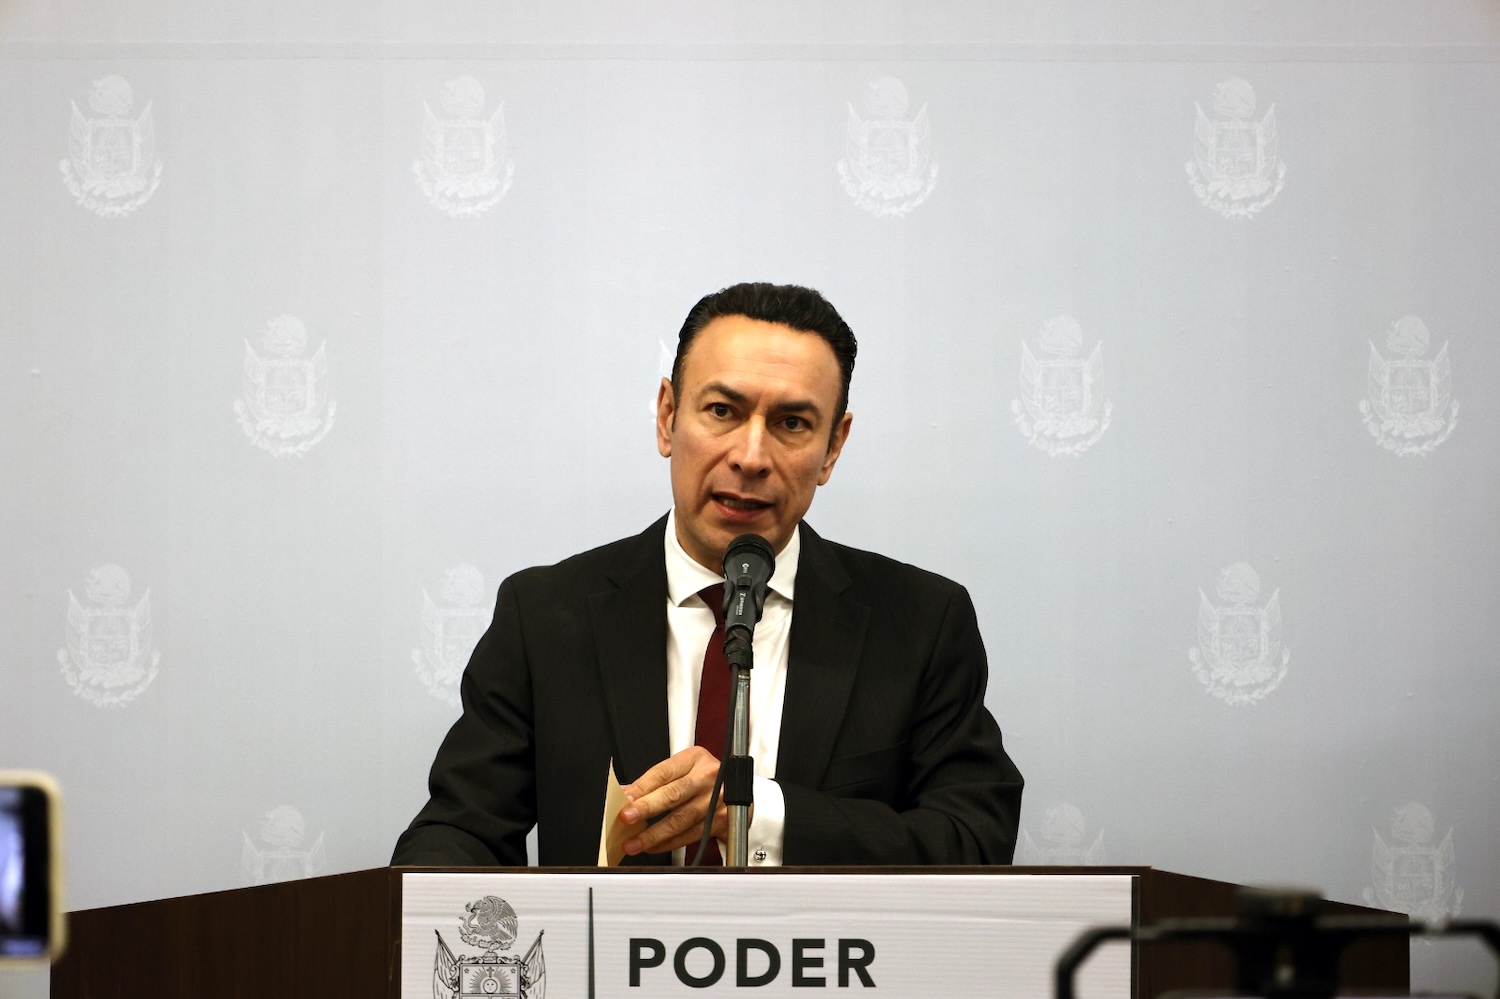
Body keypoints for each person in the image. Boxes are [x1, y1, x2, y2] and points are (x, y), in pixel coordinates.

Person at [392, 282, 1023, 867]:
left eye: (792, 423)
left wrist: (754, 812)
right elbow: (456, 835)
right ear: (667, 416)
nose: (750, 456)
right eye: (722, 410)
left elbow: (974, 841)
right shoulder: (545, 616)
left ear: (833, 446)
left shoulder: (919, 623)